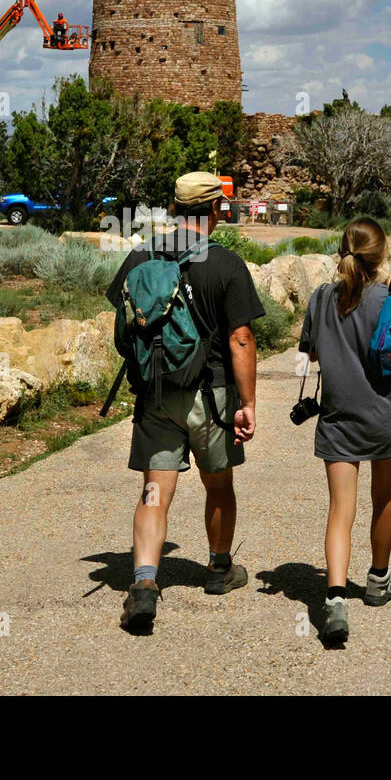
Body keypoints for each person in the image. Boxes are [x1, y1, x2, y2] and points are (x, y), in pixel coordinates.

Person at [106, 171, 265, 632]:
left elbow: (124, 323)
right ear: (215, 209)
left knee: (155, 490)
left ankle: (144, 583)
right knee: (218, 486)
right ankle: (218, 570)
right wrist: (248, 402)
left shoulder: (142, 255)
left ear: (174, 209)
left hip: (156, 392)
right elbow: (240, 338)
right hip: (212, 394)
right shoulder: (227, 265)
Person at [298, 218, 391, 644]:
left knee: (340, 510)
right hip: (384, 418)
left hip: (337, 419)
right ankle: (377, 579)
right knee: (384, 498)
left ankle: (335, 598)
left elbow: (313, 354)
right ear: (381, 254)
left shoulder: (320, 298)